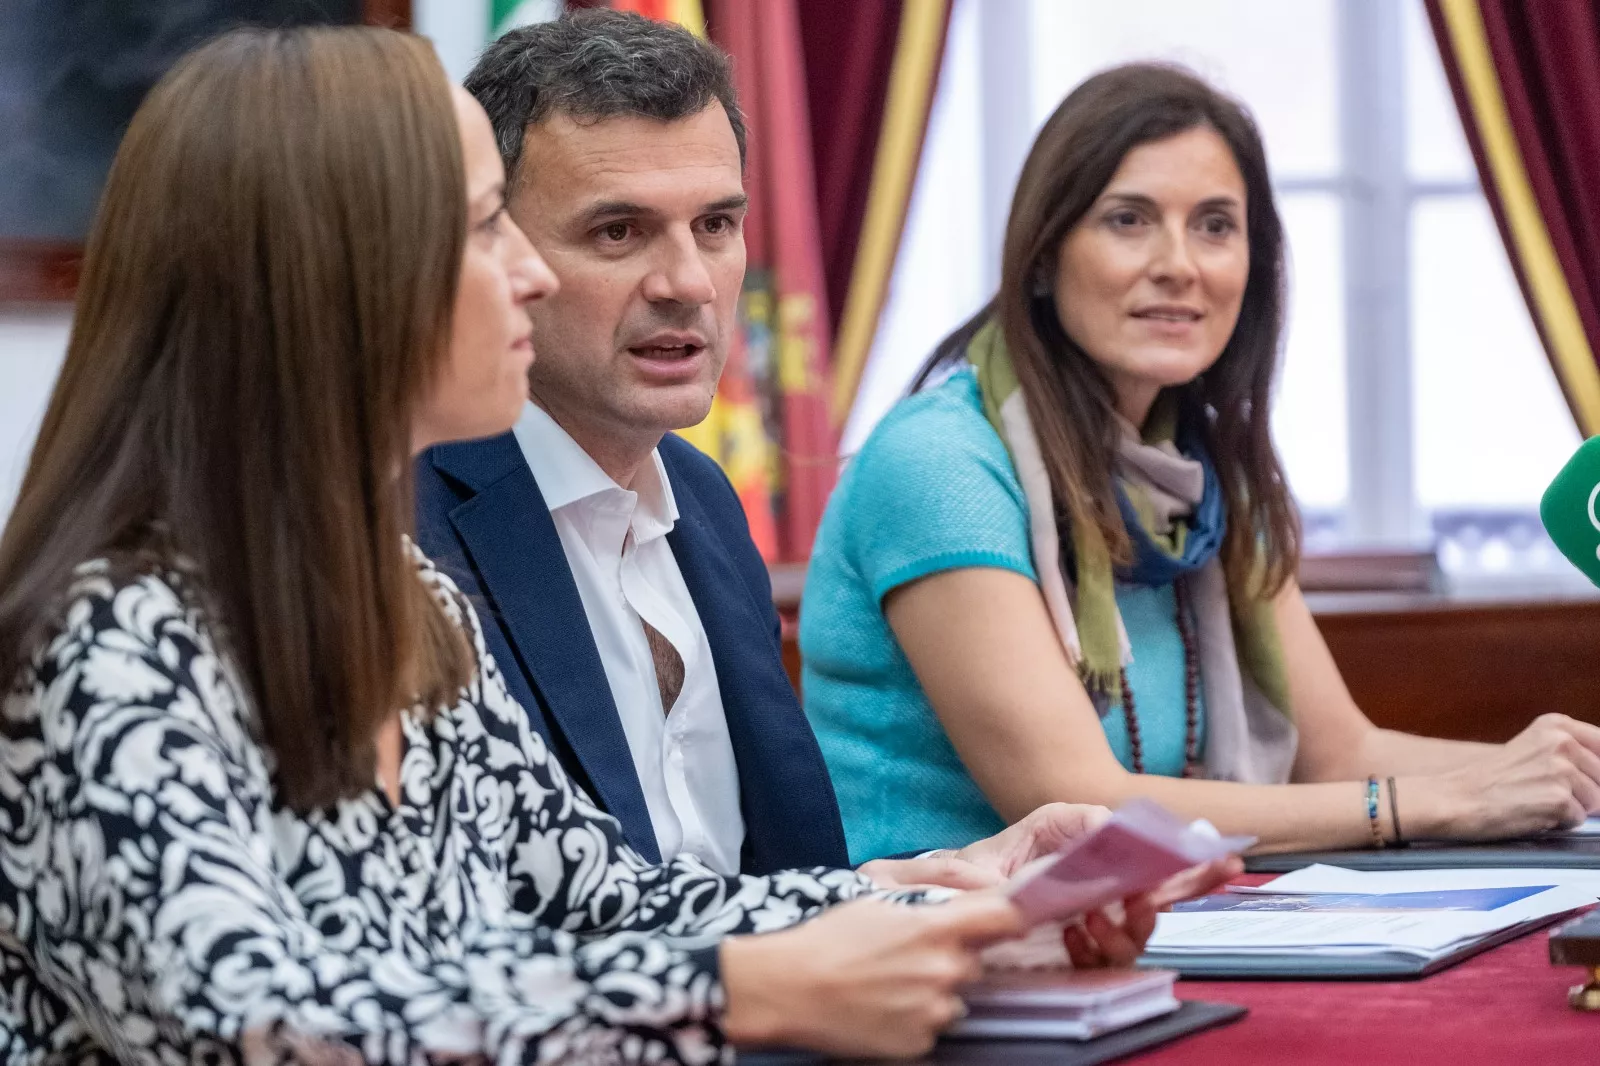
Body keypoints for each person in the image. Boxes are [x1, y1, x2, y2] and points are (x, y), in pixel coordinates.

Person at [0, 28, 1223, 1064]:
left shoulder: (407, 596)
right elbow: (244, 1024)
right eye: (489, 229)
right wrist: (749, 992)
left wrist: (953, 893)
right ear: (336, 280)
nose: (529, 275)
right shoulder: (110, 642)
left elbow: (615, 901)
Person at [800, 61, 1600, 864]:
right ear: (1042, 257)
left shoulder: (1213, 473)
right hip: (930, 948)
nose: (1180, 263)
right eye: (1129, 220)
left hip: (1142, 930)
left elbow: (1342, 753)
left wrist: (1550, 772)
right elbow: (1075, 802)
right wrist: (1438, 801)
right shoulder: (936, 462)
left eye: (1216, 225)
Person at [414, 10, 1085, 886]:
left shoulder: (702, 498)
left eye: (716, 226)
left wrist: (927, 889)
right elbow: (515, 923)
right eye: (617, 231)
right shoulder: (409, 517)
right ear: (501, 248)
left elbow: (758, 889)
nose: (686, 284)